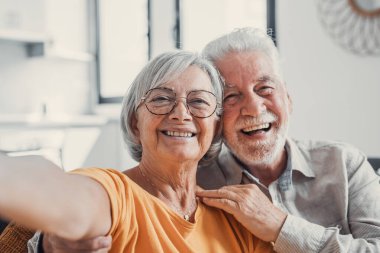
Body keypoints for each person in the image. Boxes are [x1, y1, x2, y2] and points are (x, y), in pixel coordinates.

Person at [30, 28, 380, 252]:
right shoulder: (192, 178)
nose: (253, 107)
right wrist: (54, 240)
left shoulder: (344, 164)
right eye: (230, 96)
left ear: (288, 99)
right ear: (215, 122)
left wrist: (281, 227)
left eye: (265, 89)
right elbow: (101, 200)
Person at [0, 50, 274, 252]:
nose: (180, 114)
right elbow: (66, 198)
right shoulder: (117, 194)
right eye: (161, 99)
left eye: (199, 101)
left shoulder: (237, 222)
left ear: (215, 127)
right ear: (135, 122)